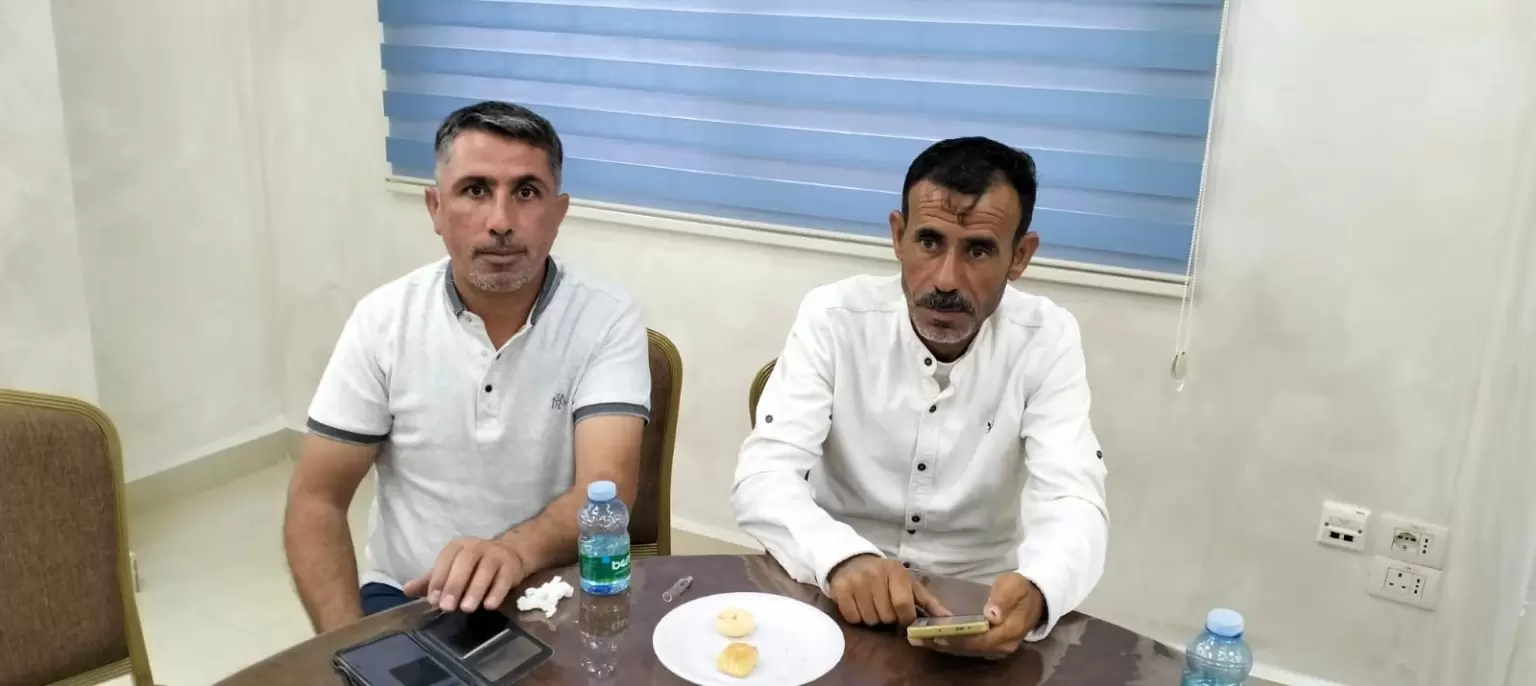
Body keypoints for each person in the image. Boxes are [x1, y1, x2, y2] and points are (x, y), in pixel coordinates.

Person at [732, 137, 1109, 659]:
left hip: (978, 607)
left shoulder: (1046, 339)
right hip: (832, 588)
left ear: (1020, 256)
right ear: (898, 235)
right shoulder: (833, 318)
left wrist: (1041, 587)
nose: (946, 280)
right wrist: (841, 557)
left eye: (978, 250)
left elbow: (1074, 497)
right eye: (930, 242)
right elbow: (763, 476)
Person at [283, 102, 651, 633]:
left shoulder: (606, 317)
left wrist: (515, 552)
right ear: (435, 208)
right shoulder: (383, 320)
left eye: (526, 192)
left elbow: (606, 487)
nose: (501, 222)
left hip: (554, 589)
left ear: (559, 212)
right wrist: (346, 648)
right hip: (410, 593)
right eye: (475, 190)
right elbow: (316, 501)